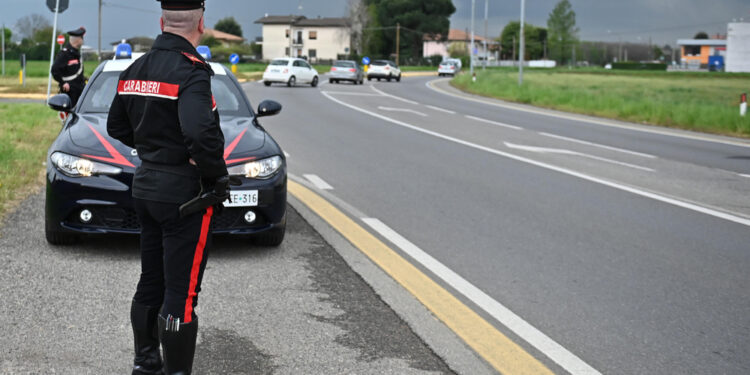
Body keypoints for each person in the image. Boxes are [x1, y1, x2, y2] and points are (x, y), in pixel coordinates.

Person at [106, 1, 228, 373]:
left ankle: (146, 364)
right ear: (201, 23)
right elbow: (199, 131)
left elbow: (116, 127)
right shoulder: (192, 72)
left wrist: (153, 149)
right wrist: (215, 174)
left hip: (146, 188)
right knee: (182, 293)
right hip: (184, 197)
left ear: (162, 21)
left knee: (151, 281)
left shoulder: (134, 68)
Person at [51, 27, 86, 107]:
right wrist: (63, 83)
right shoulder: (65, 54)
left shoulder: (76, 53)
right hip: (70, 93)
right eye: (82, 38)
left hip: (79, 90)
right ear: (78, 39)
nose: (82, 40)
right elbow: (54, 70)